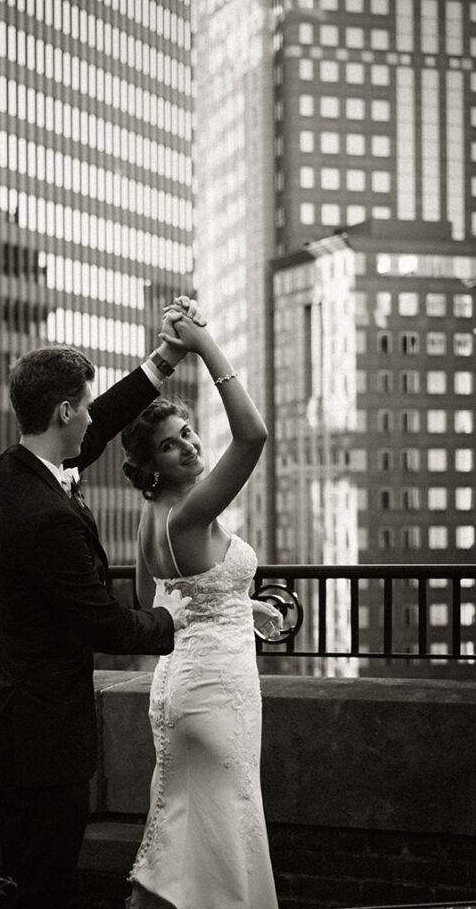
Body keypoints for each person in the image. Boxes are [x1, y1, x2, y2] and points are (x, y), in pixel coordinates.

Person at [0, 310, 201, 909]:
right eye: (86, 403)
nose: (93, 414)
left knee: (28, 876)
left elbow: (99, 431)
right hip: (42, 738)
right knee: (41, 884)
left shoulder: (11, 471)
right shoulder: (46, 516)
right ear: (64, 412)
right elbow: (102, 620)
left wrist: (164, 360)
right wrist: (180, 620)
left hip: (17, 719)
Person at [121, 307, 281, 909]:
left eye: (187, 434)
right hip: (216, 693)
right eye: (170, 446)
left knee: (180, 827)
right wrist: (205, 344)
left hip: (178, 687)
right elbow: (254, 435)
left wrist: (238, 607)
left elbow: (151, 602)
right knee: (225, 825)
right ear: (149, 464)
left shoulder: (151, 518)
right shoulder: (189, 516)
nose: (188, 448)